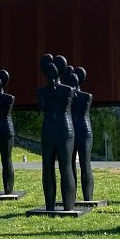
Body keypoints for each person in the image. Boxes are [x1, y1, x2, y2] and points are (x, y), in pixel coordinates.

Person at [37, 54, 77, 210]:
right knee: (47, 167)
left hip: (64, 129)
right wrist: (51, 90)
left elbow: (64, 107)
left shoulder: (68, 90)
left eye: (54, 70)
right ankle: (50, 204)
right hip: (48, 130)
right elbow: (45, 106)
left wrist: (55, 90)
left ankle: (68, 204)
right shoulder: (41, 92)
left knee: (65, 166)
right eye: (49, 71)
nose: (52, 73)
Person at [68, 66, 95, 202]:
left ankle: (87, 197)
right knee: (70, 163)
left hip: (84, 132)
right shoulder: (66, 96)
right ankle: (71, 195)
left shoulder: (86, 97)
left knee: (85, 164)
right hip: (71, 131)